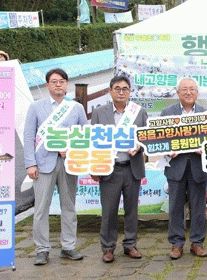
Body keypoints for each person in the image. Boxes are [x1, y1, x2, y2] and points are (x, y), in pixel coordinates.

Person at [24, 68, 88, 266]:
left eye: (62, 81)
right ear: (47, 85)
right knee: (41, 208)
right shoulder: (36, 107)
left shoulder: (76, 108)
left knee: (69, 206)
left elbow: (84, 134)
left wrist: (72, 148)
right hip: (43, 164)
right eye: (54, 81)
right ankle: (42, 249)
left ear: (66, 84)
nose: (58, 84)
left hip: (69, 163)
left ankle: (68, 246)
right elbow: (29, 135)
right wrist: (30, 164)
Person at [90, 75, 148, 263]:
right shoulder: (99, 113)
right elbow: (92, 142)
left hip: (132, 168)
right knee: (109, 211)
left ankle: (130, 244)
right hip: (109, 169)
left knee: (132, 210)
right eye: (117, 88)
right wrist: (93, 167)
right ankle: (108, 247)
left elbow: (146, 139)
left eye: (125, 89)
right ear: (110, 91)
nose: (121, 92)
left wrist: (139, 147)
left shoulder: (139, 112)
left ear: (130, 92)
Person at [161, 78, 207, 259]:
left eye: (192, 89)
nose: (188, 92)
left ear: (197, 92)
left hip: (198, 165)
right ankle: (176, 243)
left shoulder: (206, 114)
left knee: (198, 206)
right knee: (175, 206)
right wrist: (167, 150)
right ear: (178, 92)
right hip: (176, 166)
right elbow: (159, 138)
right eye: (184, 89)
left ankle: (197, 242)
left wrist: (205, 148)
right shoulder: (167, 113)